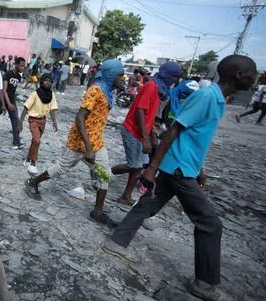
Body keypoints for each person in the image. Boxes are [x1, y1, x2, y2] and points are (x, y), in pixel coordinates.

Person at [103, 55, 257, 301]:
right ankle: (204, 284)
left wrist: (200, 169)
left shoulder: (216, 99)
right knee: (210, 224)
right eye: (253, 72)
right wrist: (152, 167)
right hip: (178, 170)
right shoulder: (206, 97)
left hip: (184, 166)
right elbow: (173, 130)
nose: (256, 77)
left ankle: (116, 242)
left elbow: (194, 138)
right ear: (238, 75)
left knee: (147, 206)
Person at [25, 59, 125, 227]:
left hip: (96, 140)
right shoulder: (95, 90)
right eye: (119, 75)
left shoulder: (107, 91)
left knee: (104, 173)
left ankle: (97, 212)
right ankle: (32, 182)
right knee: (63, 166)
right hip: (81, 139)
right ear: (110, 75)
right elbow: (80, 118)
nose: (123, 78)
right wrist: (88, 148)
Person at [115, 61, 182, 205]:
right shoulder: (152, 86)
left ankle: (126, 195)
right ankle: (102, 172)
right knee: (133, 166)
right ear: (168, 75)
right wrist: (146, 138)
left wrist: (151, 135)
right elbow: (140, 110)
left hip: (142, 132)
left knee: (138, 167)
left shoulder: (160, 90)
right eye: (174, 76)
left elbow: (150, 116)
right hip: (133, 130)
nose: (175, 80)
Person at [18, 73, 58, 175]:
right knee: (37, 140)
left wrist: (54, 122)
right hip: (33, 120)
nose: (48, 82)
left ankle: (27, 160)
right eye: (46, 80)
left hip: (43, 121)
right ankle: (33, 163)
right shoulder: (35, 94)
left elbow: (52, 110)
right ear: (42, 81)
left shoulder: (51, 95)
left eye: (50, 80)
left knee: (34, 142)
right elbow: (25, 108)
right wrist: (20, 123)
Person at [3, 56, 26, 149]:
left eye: (24, 66)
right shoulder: (8, 74)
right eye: (21, 66)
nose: (22, 68)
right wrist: (8, 104)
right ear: (16, 65)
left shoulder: (18, 77)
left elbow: (13, 90)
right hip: (3, 101)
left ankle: (16, 142)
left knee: (15, 121)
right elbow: (4, 90)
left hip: (12, 102)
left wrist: (13, 101)